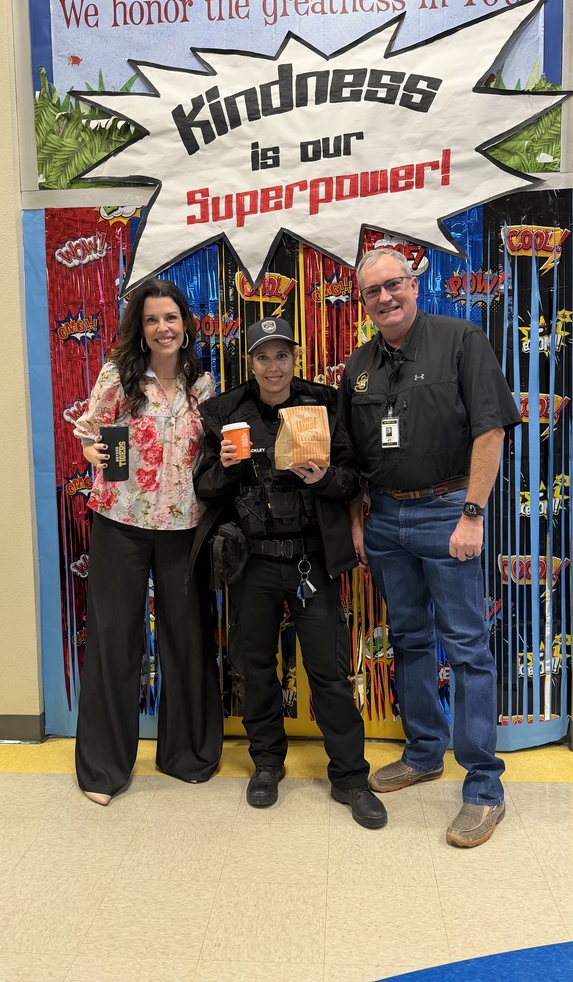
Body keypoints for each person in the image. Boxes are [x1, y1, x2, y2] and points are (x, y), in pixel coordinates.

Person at [338, 248, 521, 847]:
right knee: (410, 639)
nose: (385, 298)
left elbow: (490, 430)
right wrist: (361, 520)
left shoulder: (461, 339)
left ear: (414, 285)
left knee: (467, 648)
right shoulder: (358, 367)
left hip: (449, 514)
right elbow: (351, 455)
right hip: (386, 518)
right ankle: (423, 752)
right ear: (360, 301)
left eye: (394, 285)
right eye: (372, 291)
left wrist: (472, 514)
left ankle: (484, 788)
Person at [193, 317, 387, 829]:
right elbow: (204, 487)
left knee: (328, 670)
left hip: (311, 559)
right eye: (263, 356)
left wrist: (325, 478)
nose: (273, 366)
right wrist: (228, 468)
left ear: (294, 358)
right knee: (254, 665)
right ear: (249, 362)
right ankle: (266, 763)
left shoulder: (322, 403)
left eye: (282, 355)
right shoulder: (225, 413)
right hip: (252, 560)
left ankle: (350, 777)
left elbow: (354, 477)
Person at [72, 278, 223, 805]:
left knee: (187, 639)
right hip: (121, 522)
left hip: (185, 527)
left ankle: (188, 754)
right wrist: (94, 453)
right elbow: (90, 430)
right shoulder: (119, 376)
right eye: (153, 319)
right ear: (140, 327)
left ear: (186, 324)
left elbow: (212, 446)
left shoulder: (201, 383)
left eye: (172, 318)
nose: (163, 328)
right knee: (115, 640)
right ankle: (103, 768)